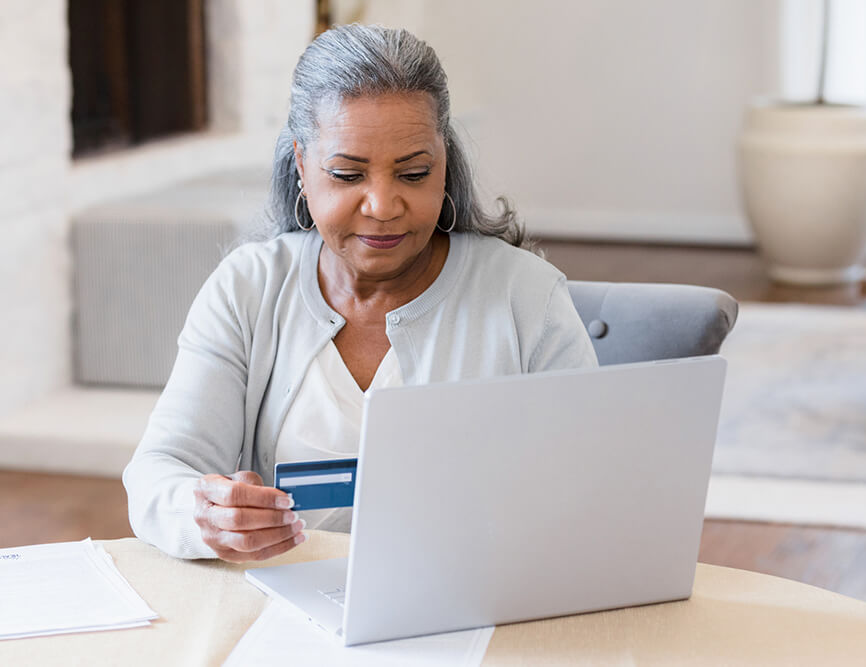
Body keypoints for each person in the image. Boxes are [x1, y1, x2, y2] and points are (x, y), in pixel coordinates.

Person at [123, 24, 597, 562]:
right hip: (288, 610)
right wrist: (205, 515)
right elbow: (158, 471)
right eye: (348, 175)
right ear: (302, 165)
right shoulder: (249, 287)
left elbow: (590, 485)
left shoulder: (526, 297)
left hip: (480, 605)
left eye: (414, 174)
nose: (383, 205)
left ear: (445, 162)